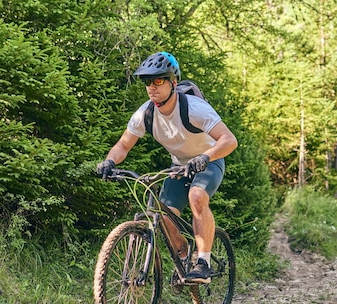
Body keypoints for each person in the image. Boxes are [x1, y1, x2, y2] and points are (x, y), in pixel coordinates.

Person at [97, 51, 237, 284]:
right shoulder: (145, 114)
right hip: (179, 167)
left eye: (158, 80)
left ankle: (203, 262)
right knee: (163, 213)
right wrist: (109, 161)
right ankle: (183, 256)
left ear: (173, 82)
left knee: (196, 195)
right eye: (147, 82)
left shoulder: (194, 108)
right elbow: (123, 145)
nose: (152, 87)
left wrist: (205, 157)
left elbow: (229, 140)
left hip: (210, 161)